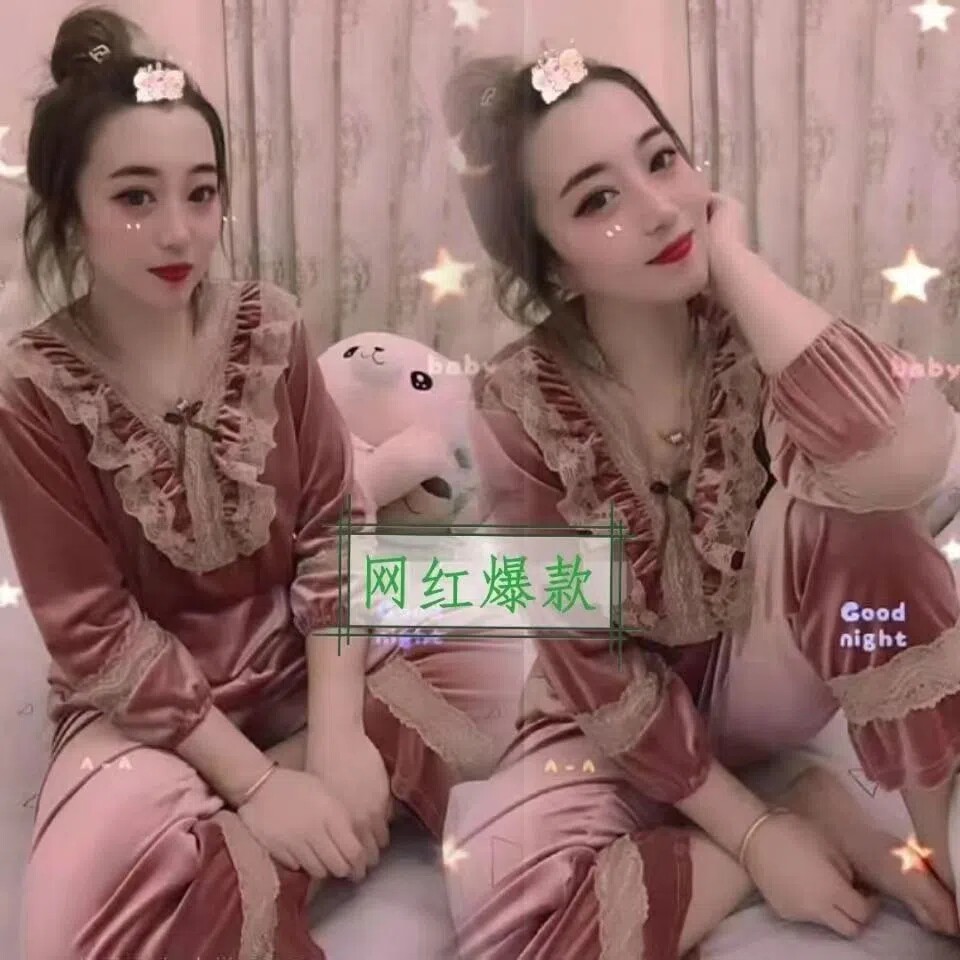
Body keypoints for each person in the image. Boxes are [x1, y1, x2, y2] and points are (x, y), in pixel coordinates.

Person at [1, 10, 521, 959]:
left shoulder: (268, 327)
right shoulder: (32, 390)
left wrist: (335, 739)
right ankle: (256, 828)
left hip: (307, 662)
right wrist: (258, 785)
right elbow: (93, 630)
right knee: (68, 935)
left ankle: (272, 829)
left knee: (512, 672)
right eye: (135, 196)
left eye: (201, 193)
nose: (178, 230)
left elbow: (330, 529)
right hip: (150, 711)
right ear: (69, 209)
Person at [439, 52, 960, 959]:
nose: (660, 208)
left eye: (663, 159)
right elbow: (591, 663)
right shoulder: (517, 404)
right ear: (554, 264)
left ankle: (940, 842)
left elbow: (899, 456)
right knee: (512, 922)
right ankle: (797, 807)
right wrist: (755, 839)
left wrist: (739, 265)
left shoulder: (760, 334)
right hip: (609, 721)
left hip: (760, 678)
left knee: (859, 518)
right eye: (598, 199)